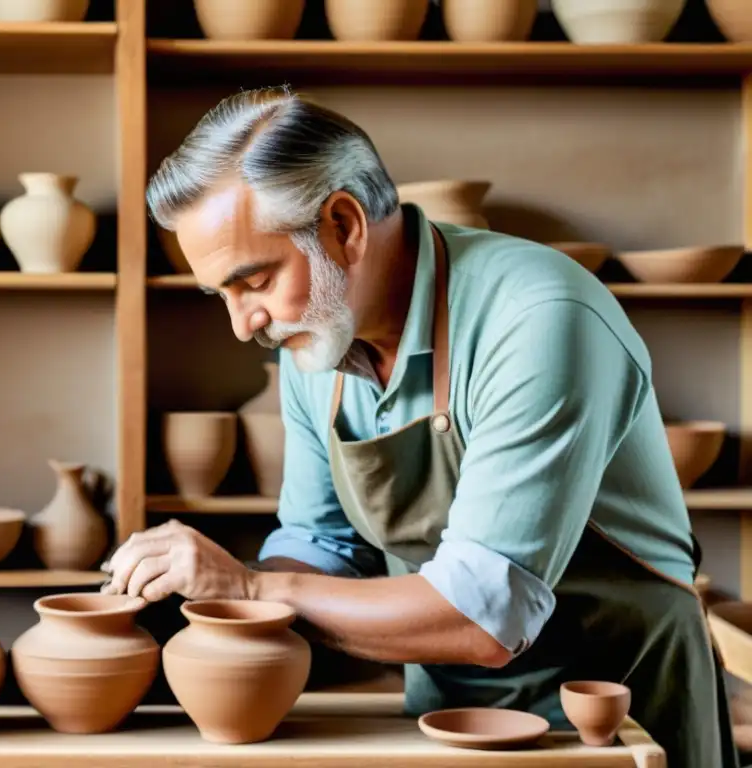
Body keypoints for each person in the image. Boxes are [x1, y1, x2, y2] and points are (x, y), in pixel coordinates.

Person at [101, 85, 738, 767]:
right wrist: (208, 611)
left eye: (253, 281)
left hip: (616, 711)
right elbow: (322, 543)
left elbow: (485, 615)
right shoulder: (317, 338)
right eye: (220, 293)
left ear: (343, 226)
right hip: (444, 718)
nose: (241, 324)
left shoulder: (538, 317)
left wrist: (252, 589)